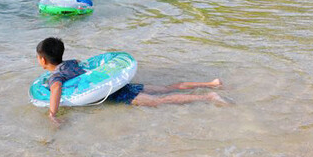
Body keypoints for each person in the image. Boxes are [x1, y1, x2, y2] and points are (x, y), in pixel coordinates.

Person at [36, 37, 226, 125]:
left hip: (119, 94)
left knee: (160, 101)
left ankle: (208, 96)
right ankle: (211, 83)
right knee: (165, 89)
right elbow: (85, 65)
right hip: (120, 84)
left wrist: (53, 113)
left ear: (43, 60)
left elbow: (56, 89)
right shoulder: (71, 63)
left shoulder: (56, 77)